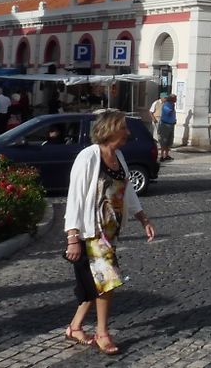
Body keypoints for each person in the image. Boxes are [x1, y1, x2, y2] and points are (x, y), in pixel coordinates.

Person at [64, 109, 155, 355]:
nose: (127, 132)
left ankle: (74, 327)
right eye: (123, 127)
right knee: (108, 281)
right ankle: (102, 333)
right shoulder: (88, 157)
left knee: (98, 282)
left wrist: (142, 217)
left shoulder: (119, 156)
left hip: (111, 231)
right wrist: (72, 237)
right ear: (110, 129)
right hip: (91, 231)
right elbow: (75, 198)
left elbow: (128, 192)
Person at [157, 94, 177, 160]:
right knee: (164, 140)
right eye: (175, 98)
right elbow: (168, 112)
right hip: (165, 125)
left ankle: (167, 155)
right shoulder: (166, 104)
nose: (176, 100)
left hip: (171, 124)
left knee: (169, 141)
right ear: (171, 99)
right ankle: (162, 155)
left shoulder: (171, 105)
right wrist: (172, 107)